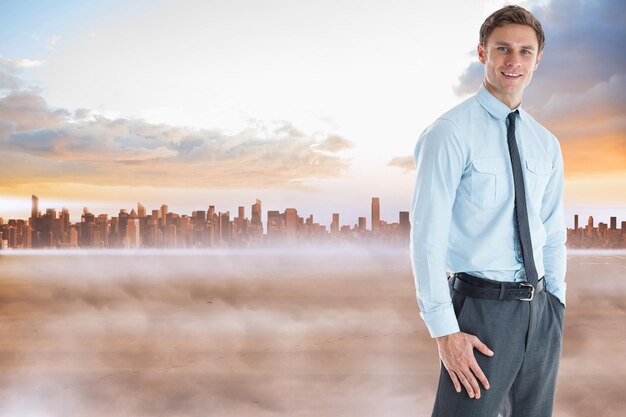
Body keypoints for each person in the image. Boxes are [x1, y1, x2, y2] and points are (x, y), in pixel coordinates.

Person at [409, 5, 566, 417]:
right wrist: (445, 331)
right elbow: (426, 236)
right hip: (480, 310)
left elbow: (551, 230)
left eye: (525, 51)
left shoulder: (546, 144)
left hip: (540, 309)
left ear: (538, 59)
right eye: (502, 49)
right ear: (482, 53)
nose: (514, 61)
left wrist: (556, 306)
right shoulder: (450, 132)